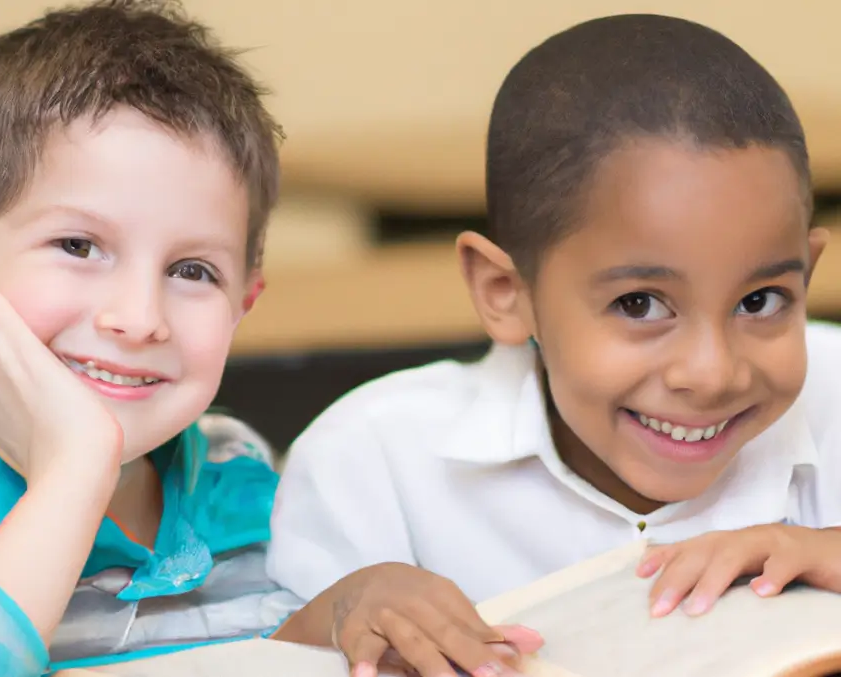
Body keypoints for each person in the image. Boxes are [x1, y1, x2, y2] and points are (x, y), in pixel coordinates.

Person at [268, 11, 841, 676]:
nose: (711, 372)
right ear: (505, 292)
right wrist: (340, 612)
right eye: (640, 304)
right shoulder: (372, 462)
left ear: (809, 272)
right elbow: (251, 661)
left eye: (760, 300)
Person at [0, 3, 543, 677]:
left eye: (192, 270)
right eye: (78, 245)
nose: (138, 317)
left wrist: (344, 609)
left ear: (242, 304)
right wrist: (76, 468)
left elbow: (245, 657)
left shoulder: (242, 474)